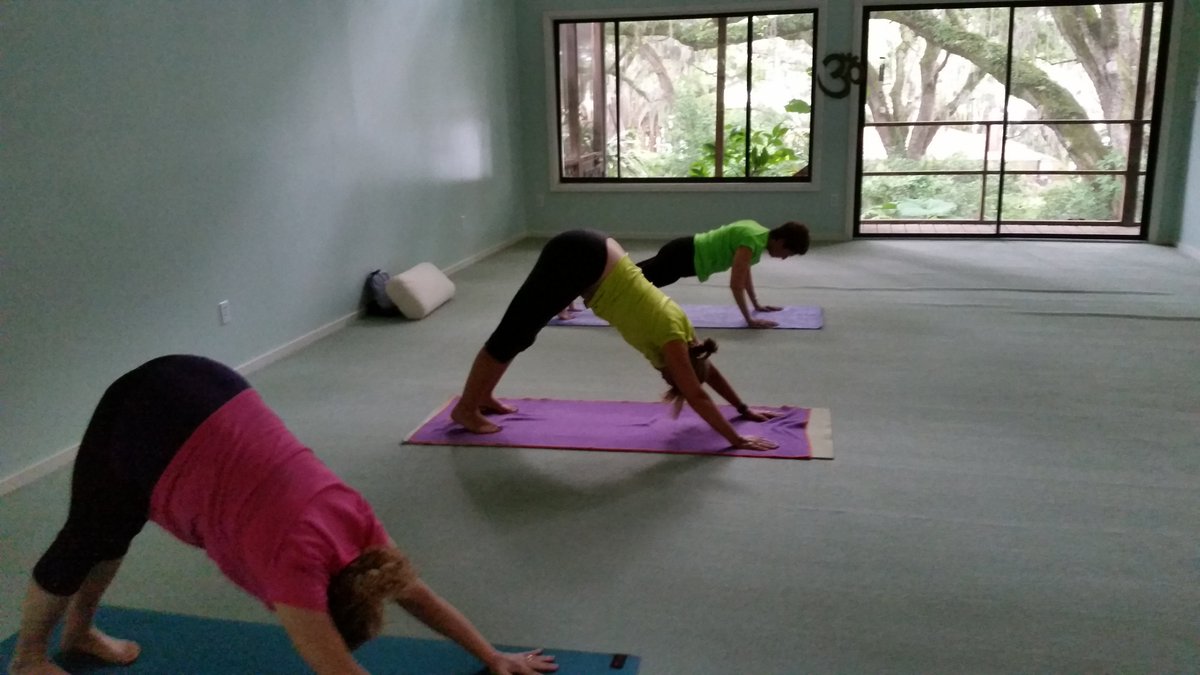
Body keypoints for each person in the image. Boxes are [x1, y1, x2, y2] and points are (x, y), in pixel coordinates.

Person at [7, 355, 557, 675]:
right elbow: (336, 667)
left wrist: (492, 657)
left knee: (115, 527)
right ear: (323, 600)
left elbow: (420, 597)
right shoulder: (292, 568)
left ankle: (79, 634)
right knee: (88, 534)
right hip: (147, 410)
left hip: (211, 387)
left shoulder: (360, 529)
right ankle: (28, 658)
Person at [450, 229, 779, 451]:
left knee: (520, 335)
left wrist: (742, 408)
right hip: (582, 258)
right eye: (672, 378)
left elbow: (707, 373)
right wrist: (736, 439)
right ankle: (466, 409)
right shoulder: (671, 341)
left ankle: (483, 396)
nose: (666, 377)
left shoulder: (688, 337)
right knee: (511, 335)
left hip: (597, 251)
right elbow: (697, 393)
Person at [634, 220, 810, 328]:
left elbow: (744, 274)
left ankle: (614, 284)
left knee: (633, 276)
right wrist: (749, 320)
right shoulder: (751, 241)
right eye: (788, 253)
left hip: (682, 251)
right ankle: (616, 302)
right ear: (781, 241)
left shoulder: (757, 233)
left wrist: (756, 305)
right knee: (634, 283)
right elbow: (736, 285)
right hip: (682, 258)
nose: (784, 258)